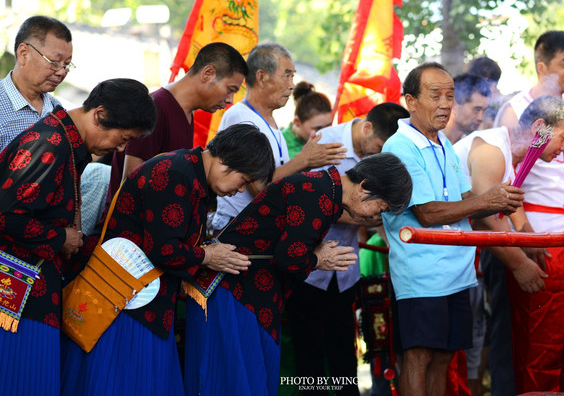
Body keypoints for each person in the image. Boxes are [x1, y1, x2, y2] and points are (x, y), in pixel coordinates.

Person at [62, 124, 275, 396]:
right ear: (225, 162)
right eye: (243, 180)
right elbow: (163, 249)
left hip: (142, 299)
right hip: (125, 300)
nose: (240, 190)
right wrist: (208, 255)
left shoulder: (191, 173)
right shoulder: (175, 174)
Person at [184, 153, 413, 396]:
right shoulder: (319, 195)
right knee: (235, 377)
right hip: (233, 290)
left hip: (246, 288)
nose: (375, 217)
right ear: (365, 187)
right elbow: (288, 257)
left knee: (246, 375)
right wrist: (318, 258)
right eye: (381, 207)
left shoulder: (325, 190)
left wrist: (313, 254)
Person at [0, 78, 156, 395]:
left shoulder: (68, 143)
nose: (122, 148)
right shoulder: (50, 144)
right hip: (18, 293)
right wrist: (62, 238)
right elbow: (7, 216)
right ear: (98, 114)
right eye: (122, 138)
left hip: (35, 287)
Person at [381, 62, 523, 396]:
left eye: (450, 96)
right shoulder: (399, 148)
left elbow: (464, 197)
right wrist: (486, 199)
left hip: (457, 273)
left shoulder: (443, 143)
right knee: (418, 357)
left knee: (444, 357)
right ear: (411, 101)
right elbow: (428, 213)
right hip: (421, 275)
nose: (446, 104)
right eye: (436, 95)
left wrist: (500, 198)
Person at [491, 30, 564, 393]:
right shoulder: (516, 109)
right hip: (538, 238)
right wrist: (524, 242)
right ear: (541, 66)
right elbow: (503, 180)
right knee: (540, 340)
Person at [285, 102, 409, 395]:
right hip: (309, 266)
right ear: (367, 128)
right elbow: (306, 203)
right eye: (378, 147)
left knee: (344, 350)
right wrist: (360, 214)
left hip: (345, 270)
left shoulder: (382, 154)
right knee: (309, 352)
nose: (380, 155)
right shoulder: (326, 143)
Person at [211, 42, 346, 232]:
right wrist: (304, 159)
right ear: (262, 77)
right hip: (239, 229)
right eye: (287, 75)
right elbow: (258, 187)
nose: (292, 85)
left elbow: (278, 179)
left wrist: (309, 162)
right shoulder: (241, 117)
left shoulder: (270, 121)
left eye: (293, 76)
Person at [107, 42, 248, 202]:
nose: (230, 100)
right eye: (230, 90)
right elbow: (131, 185)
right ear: (207, 73)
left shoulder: (185, 112)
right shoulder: (157, 108)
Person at [0, 15, 73, 150]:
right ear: (24, 54)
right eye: (54, 62)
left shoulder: (56, 109)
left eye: (66, 65)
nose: (62, 72)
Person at [282, 81, 334, 158]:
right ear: (297, 122)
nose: (323, 134)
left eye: (328, 126)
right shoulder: (280, 147)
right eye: (317, 128)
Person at [441, 73, 491, 144]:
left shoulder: (473, 144)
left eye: (484, 110)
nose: (481, 118)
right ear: (454, 105)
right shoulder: (427, 139)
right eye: (477, 109)